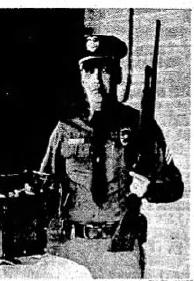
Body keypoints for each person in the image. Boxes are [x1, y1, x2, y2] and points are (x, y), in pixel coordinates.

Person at [40, 34, 184, 279]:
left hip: (119, 251)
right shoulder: (65, 129)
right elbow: (44, 185)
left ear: (117, 75)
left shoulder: (140, 127)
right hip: (69, 249)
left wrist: (149, 189)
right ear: (81, 77)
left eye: (105, 70)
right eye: (89, 70)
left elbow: (174, 186)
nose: (97, 80)